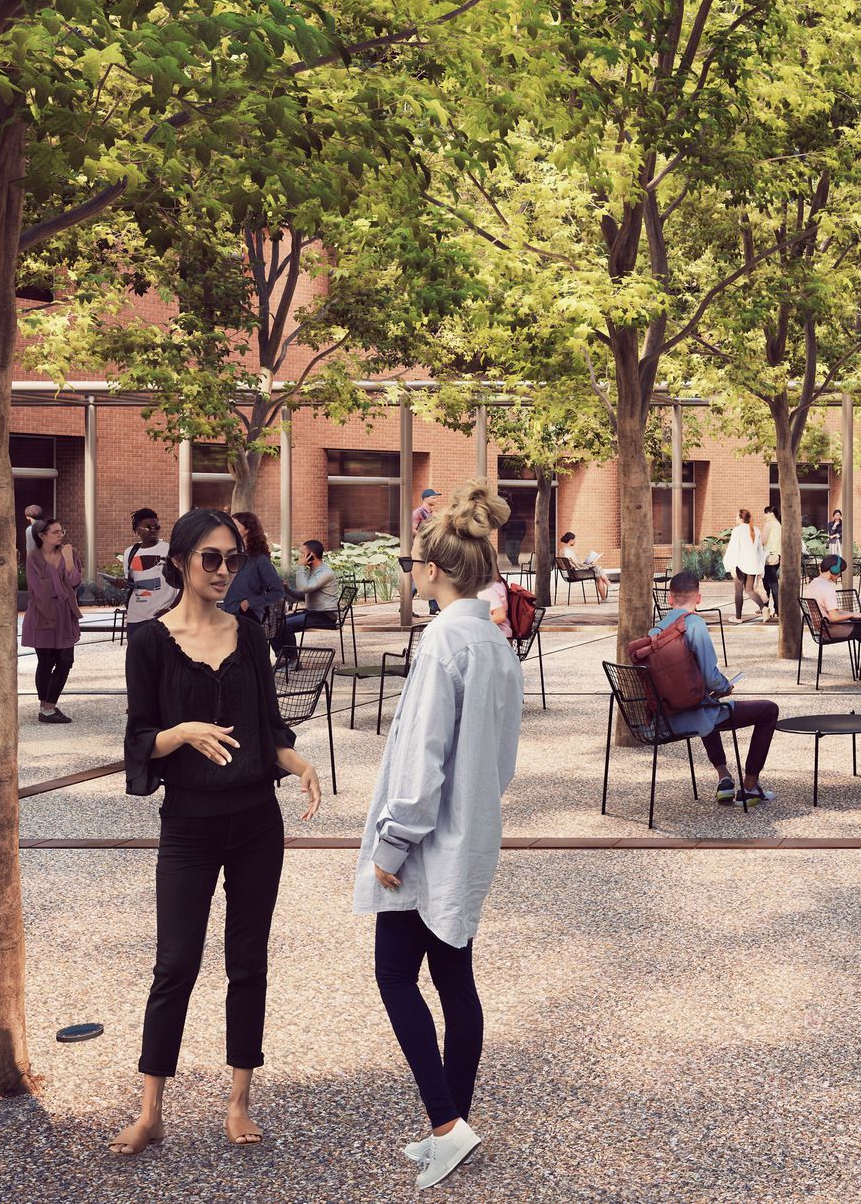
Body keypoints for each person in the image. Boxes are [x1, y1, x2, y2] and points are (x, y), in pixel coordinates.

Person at [112, 509, 324, 1158]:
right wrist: (180, 733)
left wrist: (299, 763)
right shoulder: (150, 642)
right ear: (179, 562)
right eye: (211, 558)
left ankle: (238, 1100)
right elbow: (138, 738)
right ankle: (151, 1110)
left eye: (232, 558)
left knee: (247, 961)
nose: (225, 569)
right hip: (189, 825)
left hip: (257, 821)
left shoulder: (251, 634)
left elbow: (269, 728)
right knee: (175, 963)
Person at [356, 483, 526, 1190]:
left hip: (426, 839)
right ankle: (451, 1123)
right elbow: (501, 755)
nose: (411, 572)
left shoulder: (444, 641)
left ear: (432, 569)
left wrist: (393, 841)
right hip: (470, 830)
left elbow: (422, 754)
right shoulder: (494, 640)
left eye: (411, 563)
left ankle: (447, 1123)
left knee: (395, 973)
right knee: (454, 977)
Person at [632, 570, 778, 803]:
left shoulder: (656, 630)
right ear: (698, 599)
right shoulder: (695, 625)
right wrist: (725, 685)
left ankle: (724, 776)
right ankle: (750, 787)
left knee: (707, 701)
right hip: (692, 716)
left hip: (666, 718)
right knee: (768, 710)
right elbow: (711, 678)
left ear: (670, 598)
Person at [22, 517, 82, 724]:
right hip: (42, 614)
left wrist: (68, 561)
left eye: (61, 531)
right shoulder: (33, 557)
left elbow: (74, 582)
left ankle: (49, 707)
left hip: (64, 615)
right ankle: (46, 708)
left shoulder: (70, 553)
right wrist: (61, 588)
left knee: (65, 660)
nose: (60, 535)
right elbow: (38, 589)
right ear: (42, 535)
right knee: (46, 661)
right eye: (55, 532)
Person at [804, 555, 861, 686]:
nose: (840, 575)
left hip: (821, 628)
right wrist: (851, 615)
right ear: (834, 569)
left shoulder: (813, 584)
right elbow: (834, 617)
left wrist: (852, 614)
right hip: (832, 629)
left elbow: (830, 612)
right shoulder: (828, 588)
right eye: (840, 571)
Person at [222, 511, 287, 651]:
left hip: (248, 617)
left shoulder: (259, 560)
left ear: (248, 529)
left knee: (247, 657)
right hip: (228, 613)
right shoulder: (233, 556)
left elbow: (278, 592)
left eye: (235, 526)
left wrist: (248, 603)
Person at [282, 540, 341, 650]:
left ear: (311, 555)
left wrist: (300, 567)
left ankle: (292, 658)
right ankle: (282, 656)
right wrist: (287, 590)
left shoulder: (325, 572)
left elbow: (303, 588)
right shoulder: (313, 571)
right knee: (277, 623)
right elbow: (303, 595)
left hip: (325, 616)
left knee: (284, 625)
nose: (300, 557)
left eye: (302, 554)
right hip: (312, 613)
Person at [123, 508, 175, 627]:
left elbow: (183, 585)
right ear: (137, 529)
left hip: (162, 616)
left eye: (156, 527)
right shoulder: (129, 552)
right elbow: (130, 582)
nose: (153, 530)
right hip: (135, 617)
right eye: (148, 527)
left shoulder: (169, 550)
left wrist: (170, 609)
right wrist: (121, 584)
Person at [723, 509, 765, 623]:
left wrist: (732, 565)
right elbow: (760, 550)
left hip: (740, 565)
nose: (735, 518)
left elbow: (734, 549)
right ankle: (764, 608)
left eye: (737, 516)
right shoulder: (756, 530)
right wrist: (761, 567)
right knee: (750, 590)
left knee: (738, 592)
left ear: (741, 518)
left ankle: (738, 617)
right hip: (753, 565)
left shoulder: (737, 530)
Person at [555, 531, 609, 604]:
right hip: (573, 574)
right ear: (571, 540)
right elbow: (577, 564)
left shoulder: (561, 550)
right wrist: (588, 565)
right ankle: (605, 594)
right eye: (574, 540)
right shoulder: (569, 551)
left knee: (597, 571)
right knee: (598, 574)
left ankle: (608, 587)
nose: (575, 541)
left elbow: (574, 563)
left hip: (568, 574)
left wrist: (586, 565)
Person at [759, 500, 784, 619]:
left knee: (772, 584)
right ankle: (765, 607)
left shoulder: (769, 525)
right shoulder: (779, 525)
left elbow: (763, 541)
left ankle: (777, 609)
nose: (764, 516)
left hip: (769, 556)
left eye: (766, 513)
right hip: (777, 556)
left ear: (771, 513)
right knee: (768, 582)